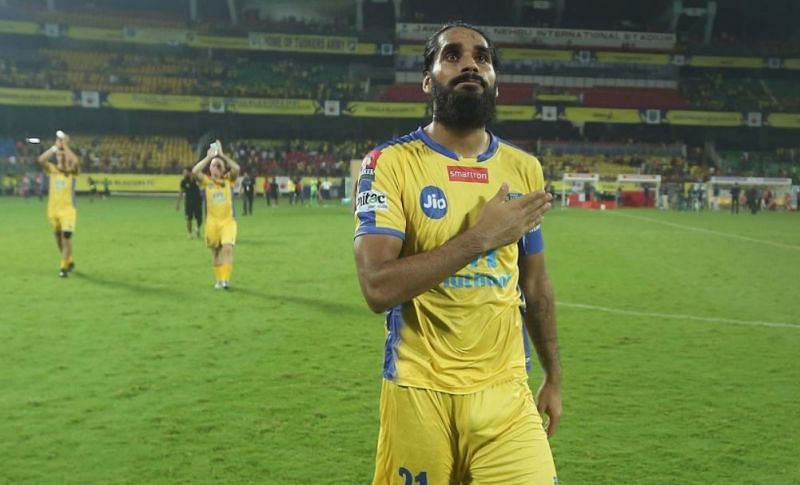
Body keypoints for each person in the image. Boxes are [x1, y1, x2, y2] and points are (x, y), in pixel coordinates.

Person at [353, 22, 560, 484]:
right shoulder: (389, 164)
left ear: (494, 83)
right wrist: (479, 238)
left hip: (506, 392)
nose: (470, 63)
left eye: (482, 58)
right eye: (452, 55)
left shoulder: (523, 168)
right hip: (418, 389)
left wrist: (554, 377)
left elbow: (536, 285)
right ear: (428, 81)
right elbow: (377, 287)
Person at [192, 140, 240, 289]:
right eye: (213, 165)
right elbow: (195, 172)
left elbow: (237, 168)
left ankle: (226, 280)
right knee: (216, 252)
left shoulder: (228, 180)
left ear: (223, 168)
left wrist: (222, 156)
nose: (216, 166)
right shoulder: (206, 182)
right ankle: (219, 280)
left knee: (228, 248)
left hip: (227, 222)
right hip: (212, 223)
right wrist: (209, 157)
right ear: (210, 169)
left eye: (218, 165)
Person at [37, 131, 80, 278]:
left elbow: (76, 162)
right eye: (58, 157)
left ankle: (63, 267)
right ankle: (69, 260)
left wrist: (65, 146)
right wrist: (55, 147)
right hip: (53, 210)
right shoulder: (52, 170)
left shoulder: (71, 172)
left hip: (67, 210)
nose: (60, 158)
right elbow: (41, 160)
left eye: (62, 157)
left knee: (66, 236)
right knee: (58, 238)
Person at [176, 167, 203, 238]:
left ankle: (197, 228)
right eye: (183, 172)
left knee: (199, 218)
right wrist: (178, 204)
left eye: (185, 172)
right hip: (188, 202)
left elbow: (202, 183)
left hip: (198, 201)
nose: (183, 174)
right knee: (189, 218)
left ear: (189, 172)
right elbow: (181, 192)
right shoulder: (183, 181)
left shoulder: (197, 180)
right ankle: (190, 234)